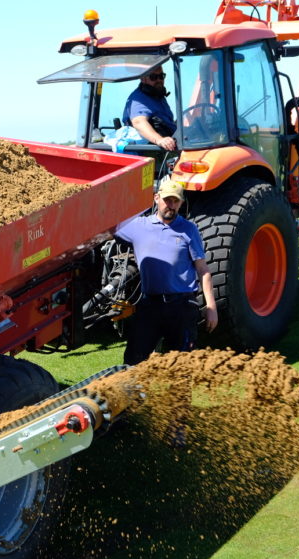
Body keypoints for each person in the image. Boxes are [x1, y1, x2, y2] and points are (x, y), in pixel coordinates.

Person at [114, 179, 218, 365]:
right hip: (150, 305)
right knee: (133, 360)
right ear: (156, 198)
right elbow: (106, 225)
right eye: (167, 200)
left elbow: (203, 270)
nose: (171, 205)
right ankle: (133, 395)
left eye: (175, 201)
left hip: (182, 306)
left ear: (181, 203)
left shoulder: (188, 229)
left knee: (180, 367)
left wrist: (211, 308)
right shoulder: (138, 226)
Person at [123, 67, 177, 151]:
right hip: (155, 151)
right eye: (153, 77)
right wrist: (160, 140)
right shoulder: (138, 99)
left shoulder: (158, 96)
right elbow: (138, 122)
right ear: (143, 79)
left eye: (161, 76)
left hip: (171, 143)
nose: (159, 80)